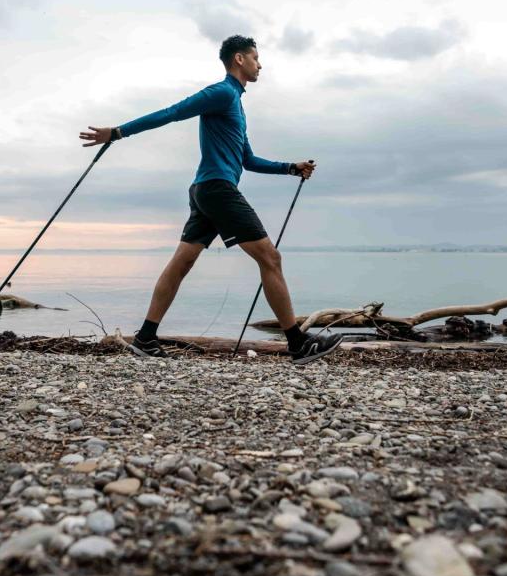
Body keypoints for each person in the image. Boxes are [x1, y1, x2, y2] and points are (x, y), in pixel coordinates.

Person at [79, 35, 344, 365]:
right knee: (270, 258)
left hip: (205, 191)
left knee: (182, 263)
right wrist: (118, 132)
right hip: (217, 190)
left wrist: (291, 168)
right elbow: (174, 112)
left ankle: (146, 337)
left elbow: (247, 159)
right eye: (256, 58)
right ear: (239, 60)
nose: (260, 64)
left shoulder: (236, 104)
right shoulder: (221, 92)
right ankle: (297, 343)